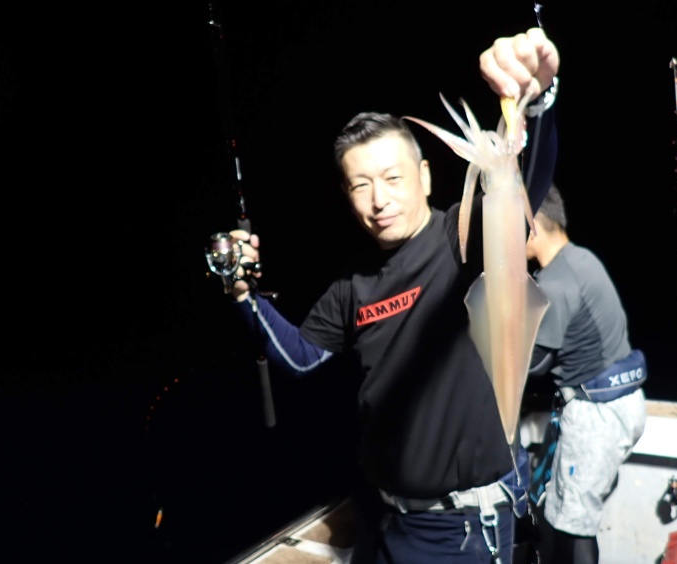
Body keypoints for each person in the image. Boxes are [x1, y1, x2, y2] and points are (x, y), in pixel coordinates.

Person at [224, 27, 561, 564]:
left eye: (392, 178)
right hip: (383, 518)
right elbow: (302, 359)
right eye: (361, 185)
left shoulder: (463, 238)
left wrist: (535, 101)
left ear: (424, 177)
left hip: (461, 527)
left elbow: (528, 183)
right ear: (346, 194)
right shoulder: (352, 284)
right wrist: (244, 294)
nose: (379, 200)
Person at [517, 185, 648, 564]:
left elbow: (533, 365)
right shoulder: (581, 258)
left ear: (531, 227)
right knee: (568, 511)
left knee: (573, 526)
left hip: (596, 419)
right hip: (624, 404)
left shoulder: (554, 284)